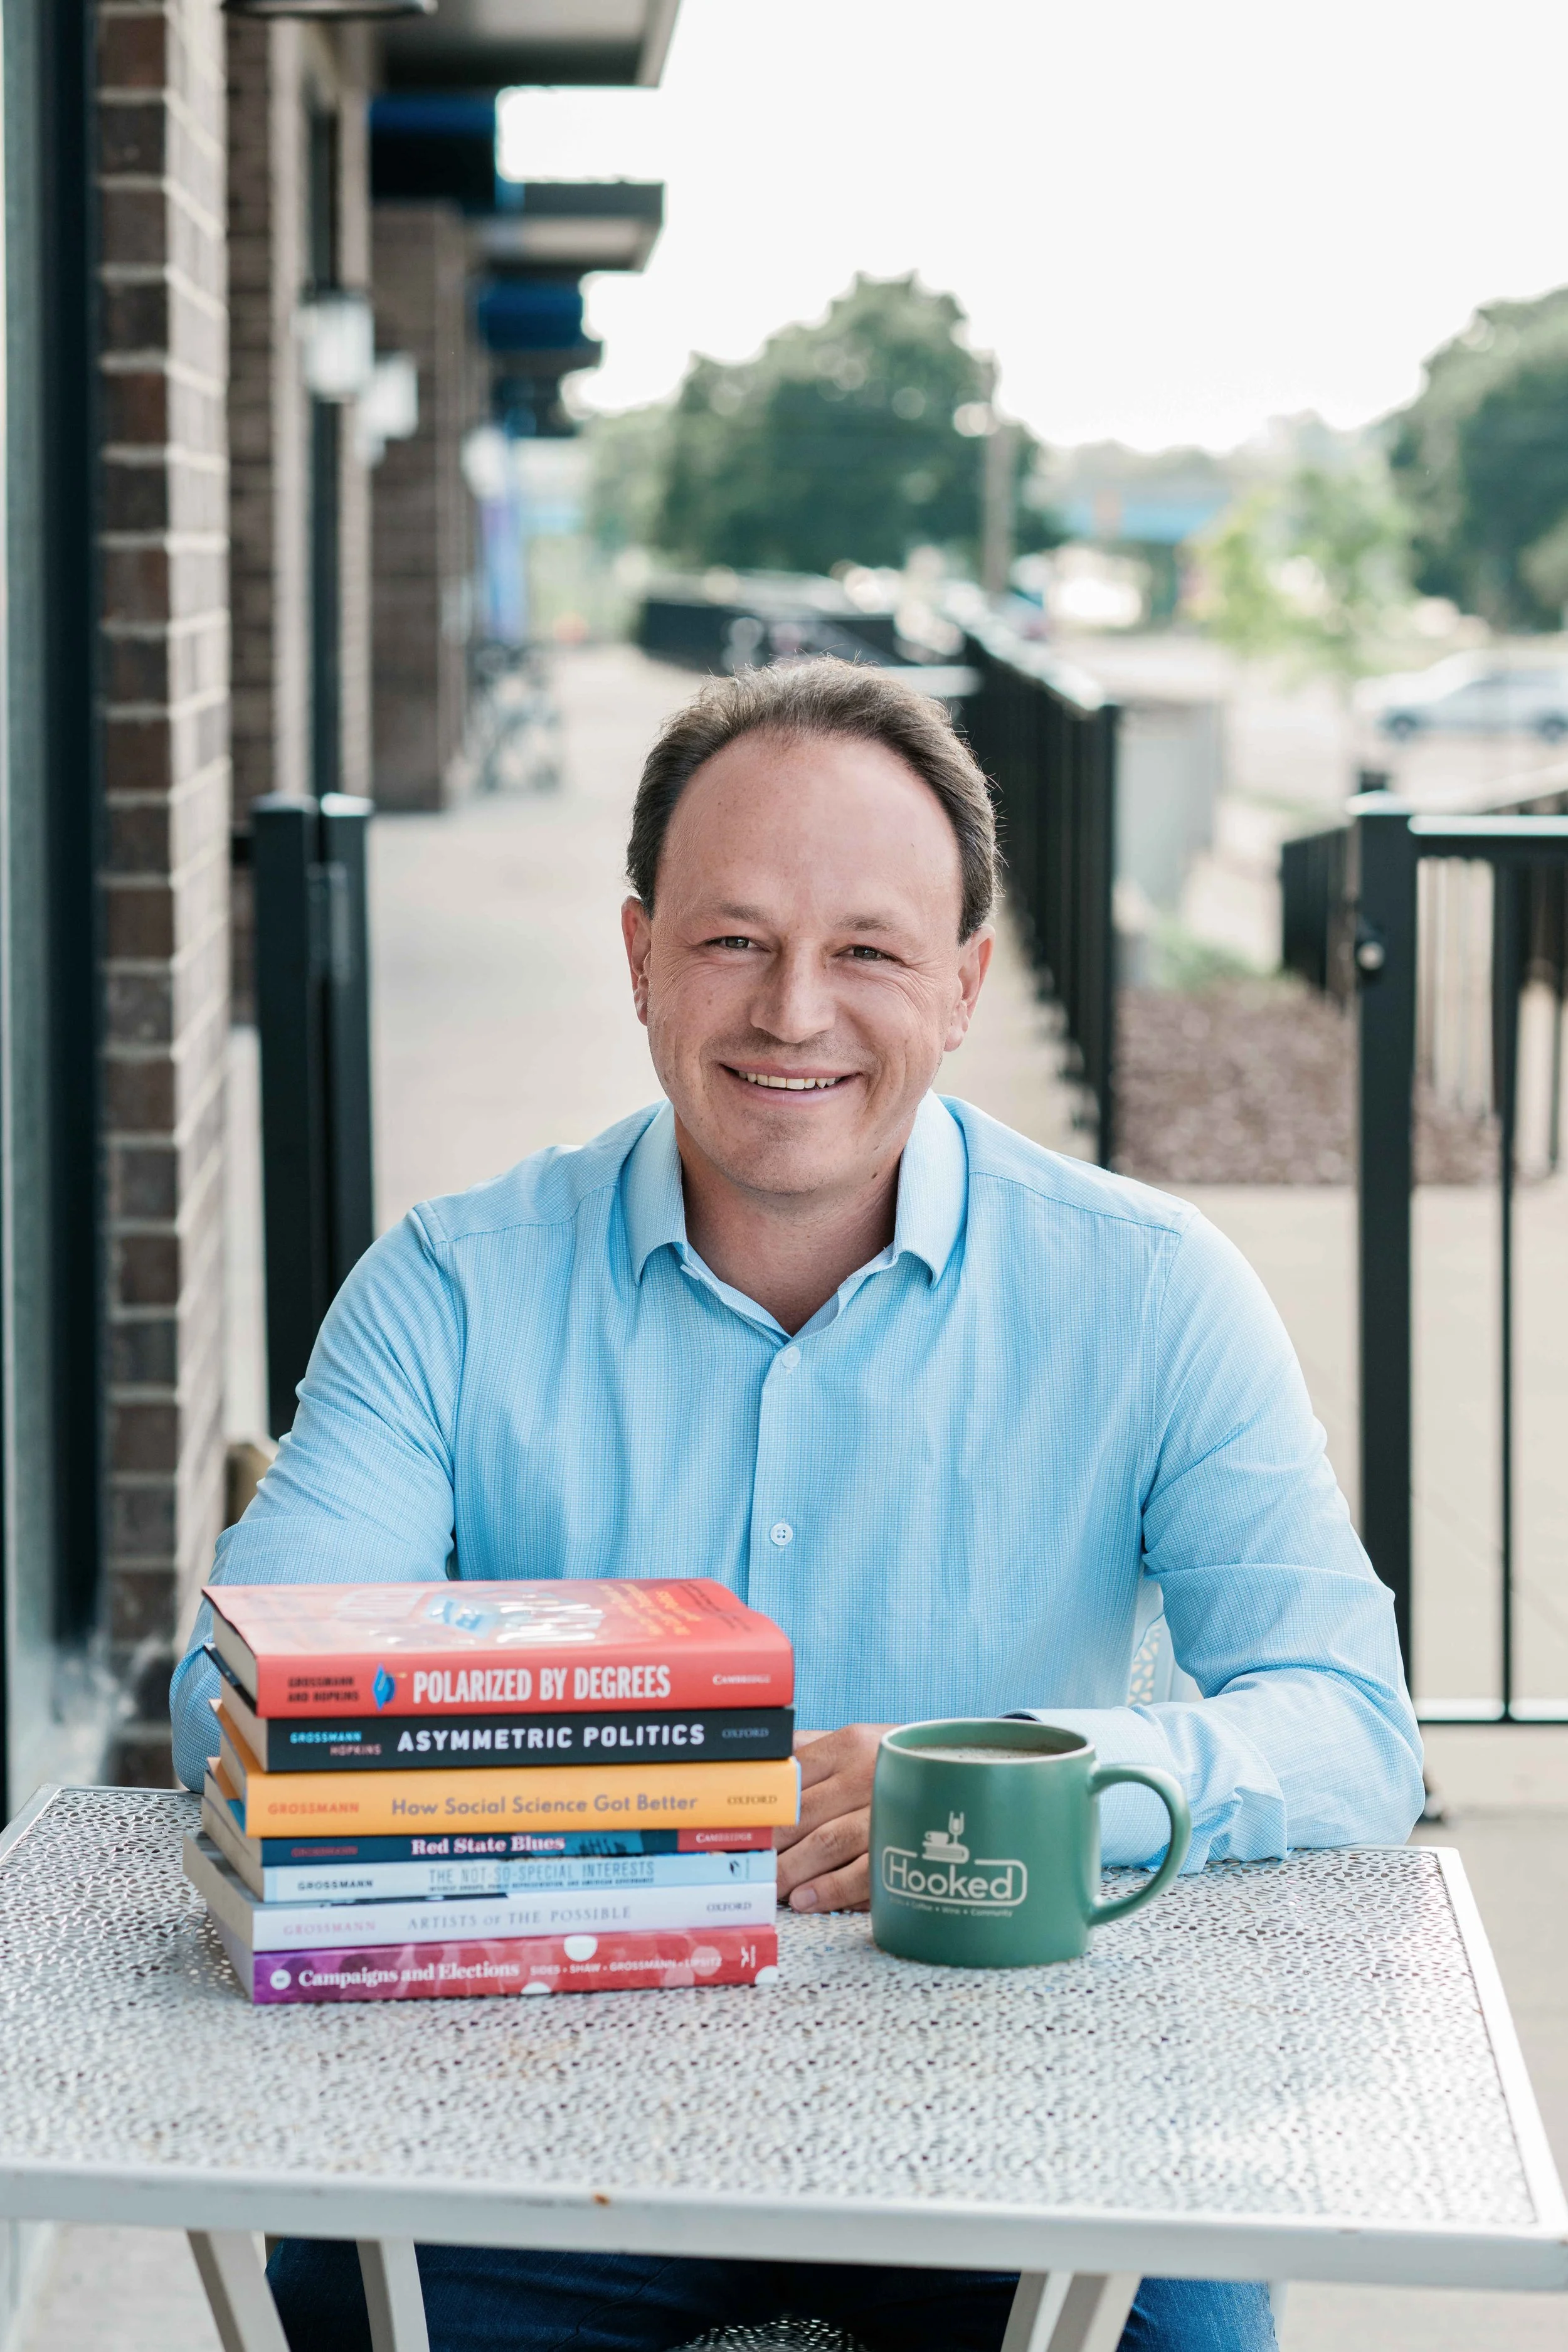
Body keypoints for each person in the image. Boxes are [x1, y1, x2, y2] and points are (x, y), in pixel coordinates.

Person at [171, 658, 1422, 2352]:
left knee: (1179, 2328)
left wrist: (1035, 1782)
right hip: (543, 2103)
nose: (792, 1011)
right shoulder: (449, 1288)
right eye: (732, 939)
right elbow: (224, 1714)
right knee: (345, 2279)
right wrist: (623, 1771)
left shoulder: (1153, 1291)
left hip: (1016, 2105)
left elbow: (1350, 1725)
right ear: (637, 957)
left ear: (964, 983)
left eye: (867, 951)